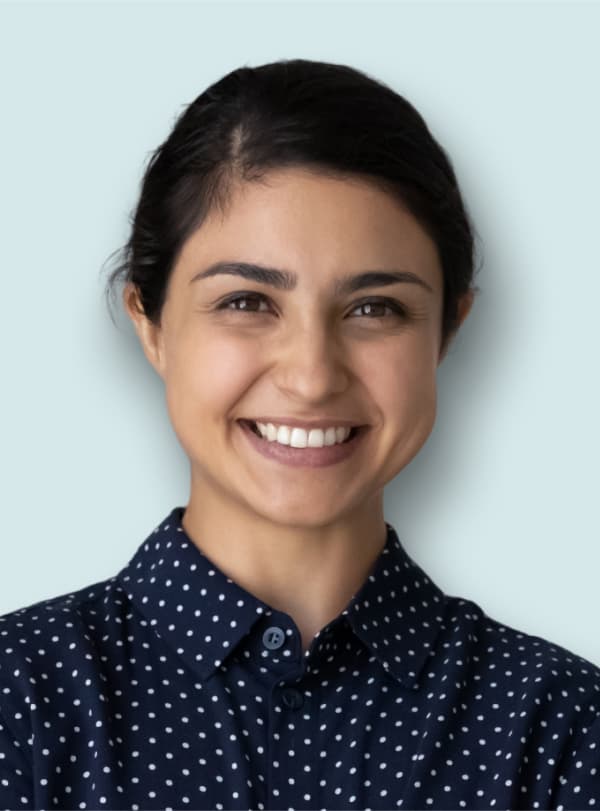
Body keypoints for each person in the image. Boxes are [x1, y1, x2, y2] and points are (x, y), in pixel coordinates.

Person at [0, 58, 598, 811]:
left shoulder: (562, 729)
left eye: (375, 308)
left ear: (448, 331)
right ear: (150, 323)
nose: (312, 375)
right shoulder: (20, 703)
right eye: (247, 300)